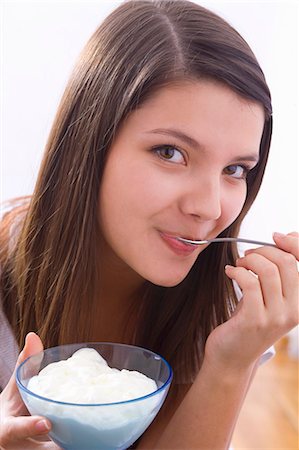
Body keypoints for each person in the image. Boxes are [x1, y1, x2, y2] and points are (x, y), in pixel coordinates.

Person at [0, 0, 298, 448]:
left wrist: (231, 362)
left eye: (235, 169)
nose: (209, 207)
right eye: (170, 153)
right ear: (90, 146)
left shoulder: (225, 304)